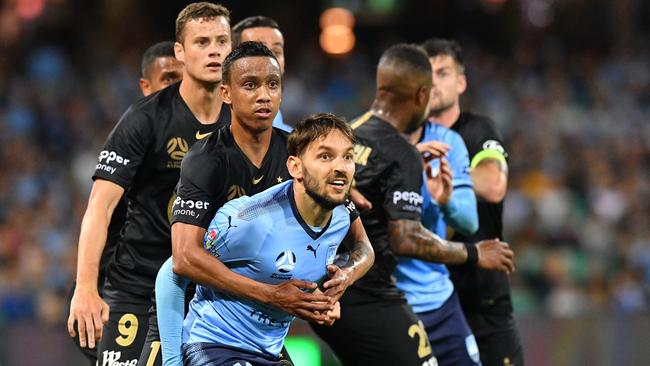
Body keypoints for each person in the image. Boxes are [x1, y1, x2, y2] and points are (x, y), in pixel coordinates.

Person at [160, 41, 373, 366]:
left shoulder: (304, 162)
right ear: (226, 93)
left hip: (266, 342)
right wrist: (274, 296)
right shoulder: (210, 166)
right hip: (202, 325)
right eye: (250, 85)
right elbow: (181, 263)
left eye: (273, 84)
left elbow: (360, 246)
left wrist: (338, 282)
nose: (264, 95)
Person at [311, 43, 514, 366]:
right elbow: (405, 239)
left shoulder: (345, 137)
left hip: (331, 290)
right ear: (422, 96)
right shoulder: (401, 152)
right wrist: (476, 253)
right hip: (372, 295)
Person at [67, 3, 232, 366]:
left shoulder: (244, 121)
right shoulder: (145, 119)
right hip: (138, 288)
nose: (214, 50)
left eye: (222, 40)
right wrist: (85, 287)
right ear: (180, 52)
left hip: (213, 290)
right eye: (202, 41)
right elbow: (100, 206)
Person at [66, 40, 183, 366]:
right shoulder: (135, 140)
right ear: (146, 87)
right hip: (125, 295)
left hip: (184, 293)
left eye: (182, 79)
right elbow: (97, 214)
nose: (178, 89)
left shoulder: (205, 146)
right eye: (169, 79)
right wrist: (87, 289)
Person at [423, 38, 525, 366]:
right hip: (427, 294)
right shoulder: (407, 139)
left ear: (461, 82)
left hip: (482, 295)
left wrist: (431, 179)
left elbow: (494, 183)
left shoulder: (477, 130)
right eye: (427, 73)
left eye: (444, 73)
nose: (434, 81)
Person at [395, 120, 483, 365]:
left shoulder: (447, 141)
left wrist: (445, 201)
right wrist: (409, 163)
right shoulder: (367, 137)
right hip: (392, 304)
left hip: (439, 297)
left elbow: (469, 222)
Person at [232, 15, 293, 132]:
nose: (271, 60)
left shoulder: (298, 145)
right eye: (258, 51)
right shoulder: (210, 142)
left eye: (276, 51)